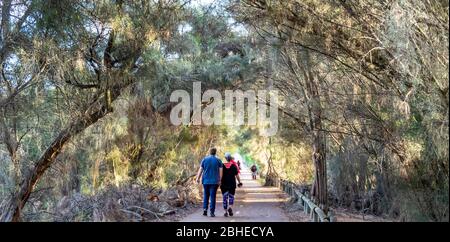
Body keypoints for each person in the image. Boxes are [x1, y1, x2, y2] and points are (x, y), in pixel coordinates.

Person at [196, 148, 223, 217]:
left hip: (205, 181)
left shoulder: (204, 159)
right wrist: (220, 180)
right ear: (215, 152)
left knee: (206, 195)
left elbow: (201, 169)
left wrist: (197, 178)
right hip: (214, 181)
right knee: (213, 196)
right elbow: (221, 171)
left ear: (209, 152)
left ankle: (205, 209)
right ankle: (212, 212)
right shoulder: (218, 160)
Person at [221, 153, 242, 217]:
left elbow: (220, 174)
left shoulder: (222, 166)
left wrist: (219, 181)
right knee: (231, 197)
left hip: (224, 184)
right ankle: (230, 207)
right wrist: (239, 182)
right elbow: (237, 175)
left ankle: (225, 212)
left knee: (224, 198)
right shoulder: (233, 166)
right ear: (230, 158)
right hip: (232, 184)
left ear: (225, 158)